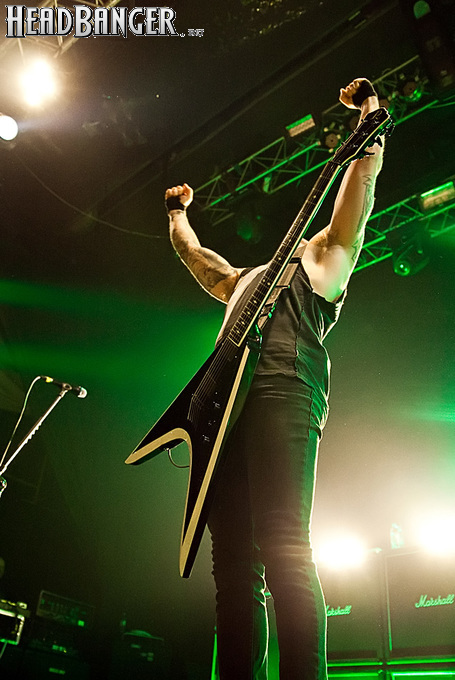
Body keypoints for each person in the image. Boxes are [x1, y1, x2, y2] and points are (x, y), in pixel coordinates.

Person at [164, 78, 384, 680]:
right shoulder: (241, 281)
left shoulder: (324, 257)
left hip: (286, 384)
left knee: (285, 543)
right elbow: (197, 258)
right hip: (223, 405)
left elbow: (359, 190)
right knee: (232, 564)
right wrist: (178, 216)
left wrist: (369, 112)